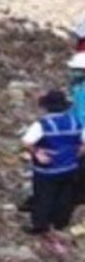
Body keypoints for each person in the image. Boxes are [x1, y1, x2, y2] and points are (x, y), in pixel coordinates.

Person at [22, 90, 84, 240]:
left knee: (43, 196)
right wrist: (77, 155)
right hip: (69, 166)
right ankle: (60, 222)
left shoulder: (42, 124)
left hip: (47, 168)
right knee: (64, 195)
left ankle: (40, 225)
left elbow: (27, 141)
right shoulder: (75, 122)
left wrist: (37, 153)